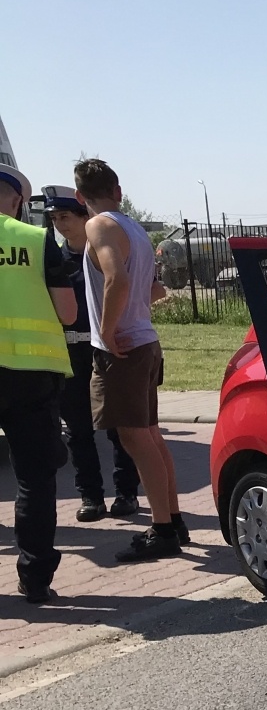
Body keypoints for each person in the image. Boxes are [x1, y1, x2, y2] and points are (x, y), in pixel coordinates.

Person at [74, 159, 188, 561]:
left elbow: (116, 279)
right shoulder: (135, 228)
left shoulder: (99, 225)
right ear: (118, 191)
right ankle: (172, 520)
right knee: (151, 435)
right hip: (144, 341)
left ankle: (162, 530)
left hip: (122, 347)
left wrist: (106, 330)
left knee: (135, 439)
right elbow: (155, 289)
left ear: (79, 196)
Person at [0, 163, 77, 602]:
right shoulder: (33, 240)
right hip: (30, 377)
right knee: (33, 479)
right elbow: (67, 313)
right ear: (16, 201)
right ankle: (34, 578)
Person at [40, 186, 140, 522]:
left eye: (65, 216)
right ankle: (91, 497)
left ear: (85, 215)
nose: (59, 224)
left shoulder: (102, 252)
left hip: (103, 347)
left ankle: (126, 493)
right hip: (69, 351)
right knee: (78, 430)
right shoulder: (53, 258)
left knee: (117, 425)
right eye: (54, 218)